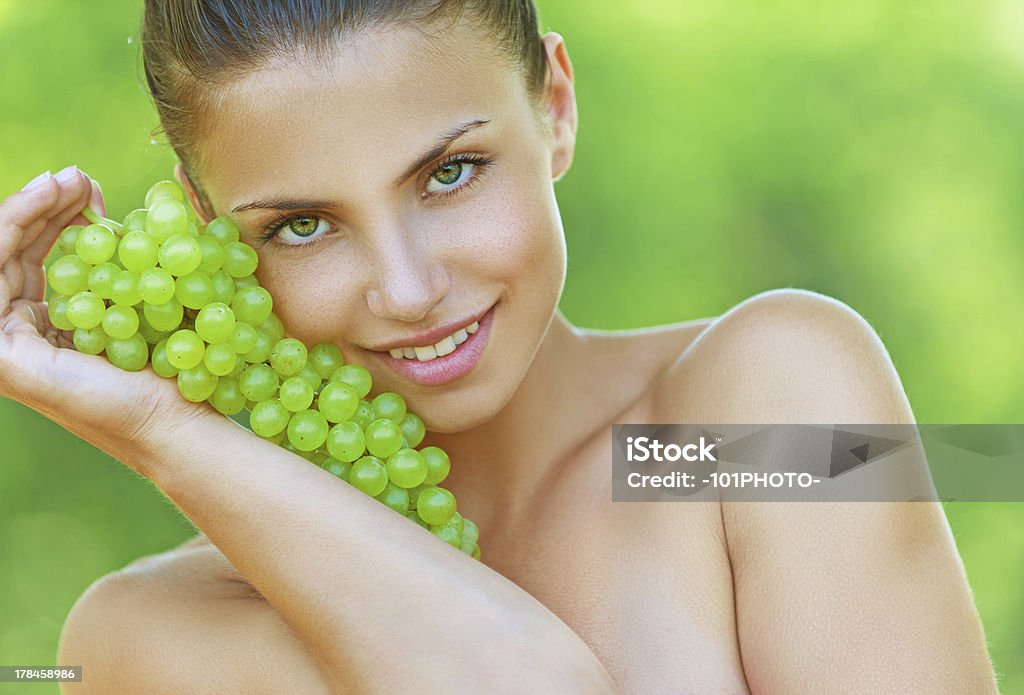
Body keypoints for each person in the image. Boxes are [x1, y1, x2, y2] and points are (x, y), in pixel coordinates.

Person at [0, 1, 998, 692]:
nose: (407, 288)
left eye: (451, 173)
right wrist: (169, 433)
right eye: (300, 224)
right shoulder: (155, 632)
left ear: (554, 105)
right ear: (202, 218)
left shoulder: (748, 422)